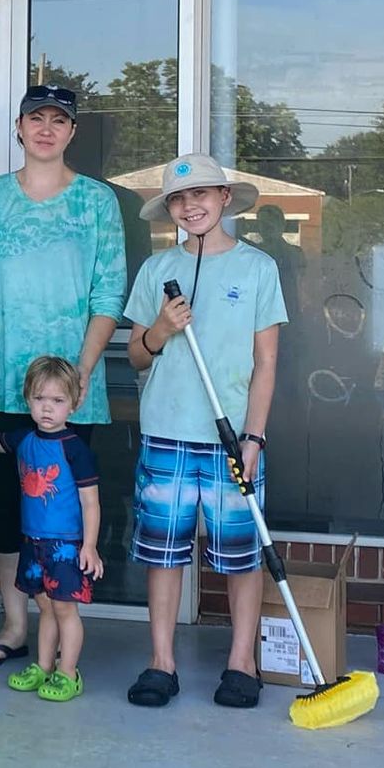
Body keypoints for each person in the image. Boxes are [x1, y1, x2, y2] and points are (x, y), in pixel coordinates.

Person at [0, 84, 124, 672]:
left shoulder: (96, 202)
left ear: (72, 132)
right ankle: (15, 622)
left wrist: (83, 374)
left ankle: (61, 626)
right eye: (35, 119)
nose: (46, 129)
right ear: (19, 128)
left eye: (59, 120)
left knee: (63, 512)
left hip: (70, 392)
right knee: (6, 508)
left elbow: (108, 292)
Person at [124, 153, 286, 711]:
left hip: (233, 438)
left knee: (241, 554)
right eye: (179, 199)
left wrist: (255, 437)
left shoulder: (258, 268)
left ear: (223, 200)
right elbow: (136, 357)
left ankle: (242, 662)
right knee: (164, 553)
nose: (191, 206)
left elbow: (266, 362)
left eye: (202, 196)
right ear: (169, 208)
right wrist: (162, 330)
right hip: (167, 429)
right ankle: (161, 662)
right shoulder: (156, 271)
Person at [0, 357, 104, 703]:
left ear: (74, 403)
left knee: (65, 609)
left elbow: (91, 503)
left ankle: (68, 672)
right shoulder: (24, 439)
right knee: (45, 607)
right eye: (39, 399)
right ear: (27, 399)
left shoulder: (75, 448)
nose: (47, 408)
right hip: (32, 542)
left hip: (65, 545)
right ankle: (44, 665)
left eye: (58, 401)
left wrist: (89, 546)